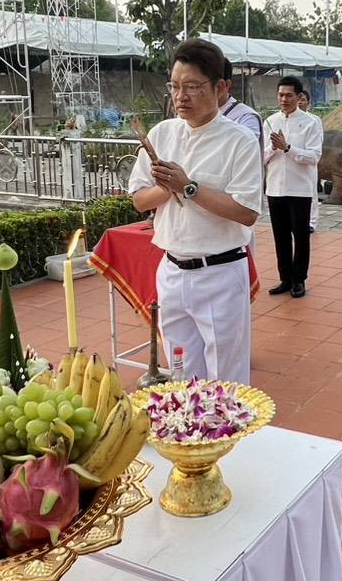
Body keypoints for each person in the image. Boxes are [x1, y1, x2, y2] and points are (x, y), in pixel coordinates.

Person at [129, 38, 264, 383]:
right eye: (174, 86)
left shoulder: (240, 140)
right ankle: (190, 435)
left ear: (221, 88)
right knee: (182, 374)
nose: (180, 97)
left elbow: (246, 211)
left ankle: (229, 438)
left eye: (192, 87)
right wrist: (167, 188)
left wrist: (188, 187)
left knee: (226, 378)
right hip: (172, 269)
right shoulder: (162, 133)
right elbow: (139, 199)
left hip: (220, 272)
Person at [264, 76, 323, 298]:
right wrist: (273, 148)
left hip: (300, 188)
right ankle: (284, 278)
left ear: (299, 97)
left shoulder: (311, 122)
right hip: (275, 188)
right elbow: (262, 156)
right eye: (281, 95)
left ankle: (299, 279)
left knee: (300, 236)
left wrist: (288, 147)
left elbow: (314, 156)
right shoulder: (270, 121)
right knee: (280, 236)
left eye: (289, 95)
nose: (284, 99)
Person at [217, 59, 263, 151]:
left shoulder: (246, 117)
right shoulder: (187, 118)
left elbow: (245, 151)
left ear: (225, 85)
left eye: (195, 86)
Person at [297, 88, 321, 234]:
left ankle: (311, 221)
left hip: (308, 161)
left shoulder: (314, 120)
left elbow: (317, 144)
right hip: (292, 162)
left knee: (311, 192)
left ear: (308, 103)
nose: (300, 103)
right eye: (298, 99)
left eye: (303, 100)